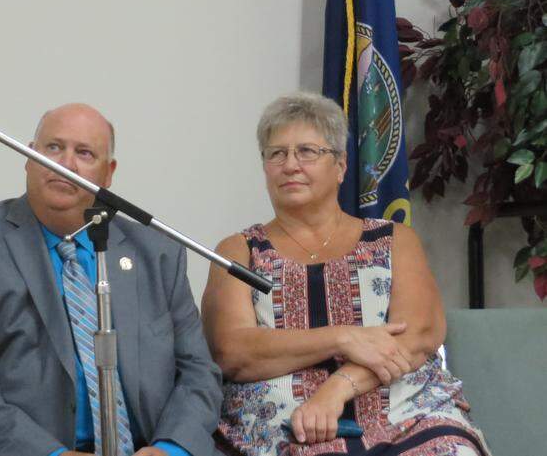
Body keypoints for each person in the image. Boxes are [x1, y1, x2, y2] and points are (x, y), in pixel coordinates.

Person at [201, 91, 489, 456]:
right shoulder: (238, 250)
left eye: (307, 151)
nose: (290, 165)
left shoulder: (393, 239)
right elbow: (233, 351)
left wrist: (337, 388)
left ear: (340, 166)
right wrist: (342, 338)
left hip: (408, 418)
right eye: (277, 154)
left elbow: (417, 336)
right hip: (285, 430)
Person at [0, 103, 222, 456]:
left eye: (84, 153)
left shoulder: (156, 253)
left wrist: (170, 449)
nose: (65, 163)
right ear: (28, 156)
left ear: (108, 174)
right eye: (53, 147)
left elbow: (198, 373)